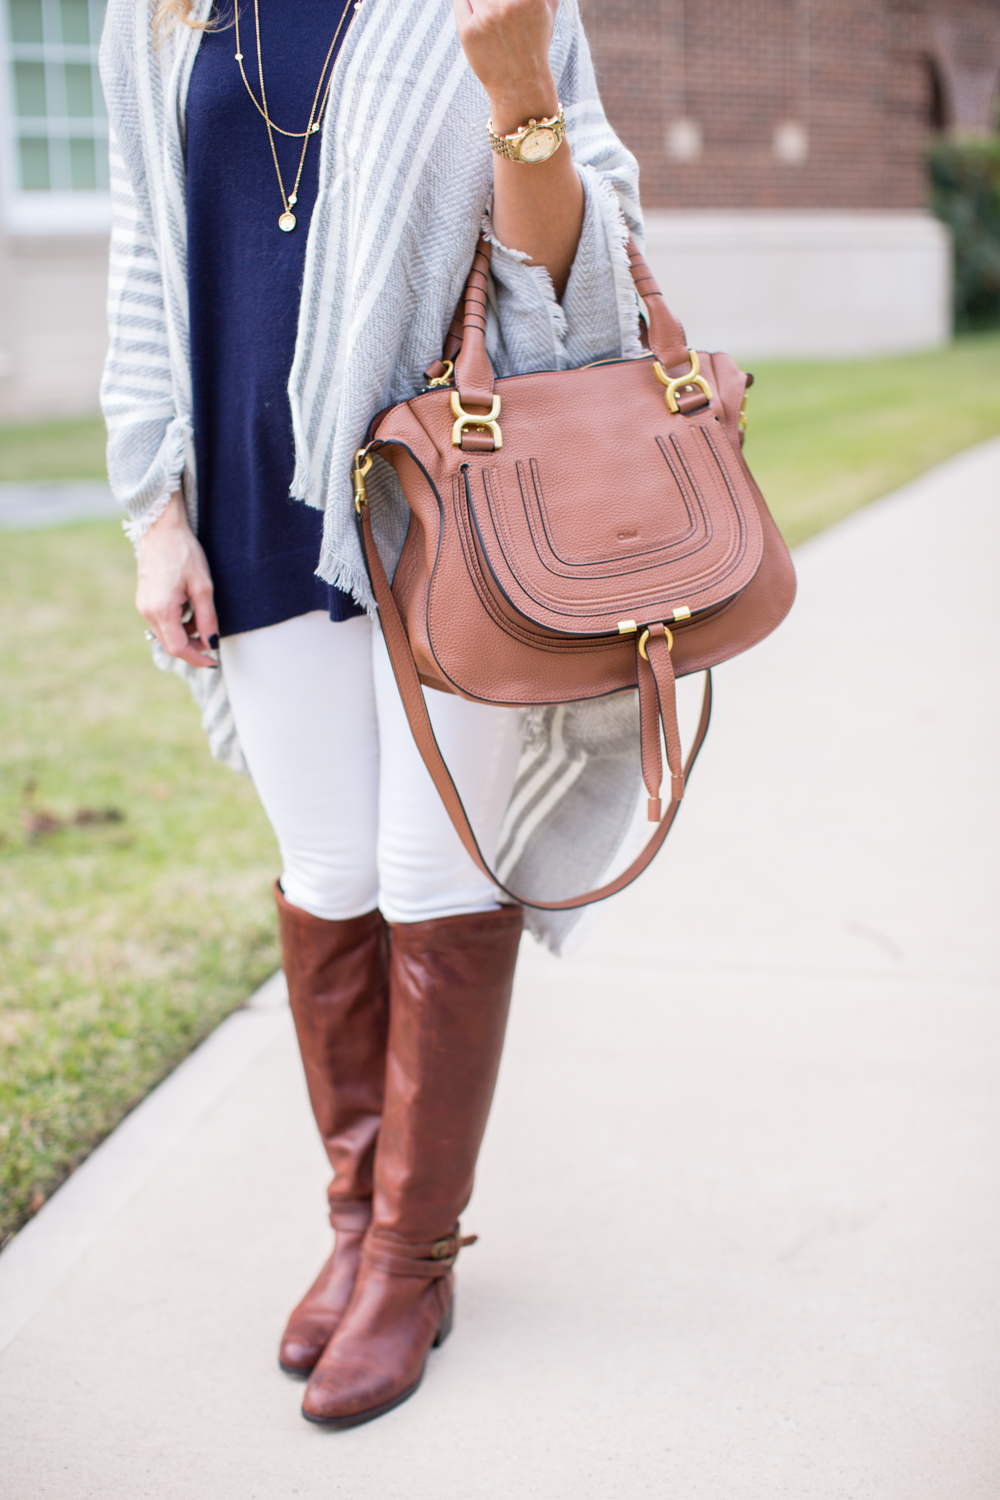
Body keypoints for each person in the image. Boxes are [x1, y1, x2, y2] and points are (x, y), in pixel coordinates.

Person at [100, 0, 642, 1428]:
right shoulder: (155, 13)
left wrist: (518, 85)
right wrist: (156, 511)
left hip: (440, 508)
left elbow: (584, 289)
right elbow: (145, 251)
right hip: (248, 502)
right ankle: (354, 1222)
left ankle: (411, 1257)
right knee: (330, 872)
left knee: (431, 874)